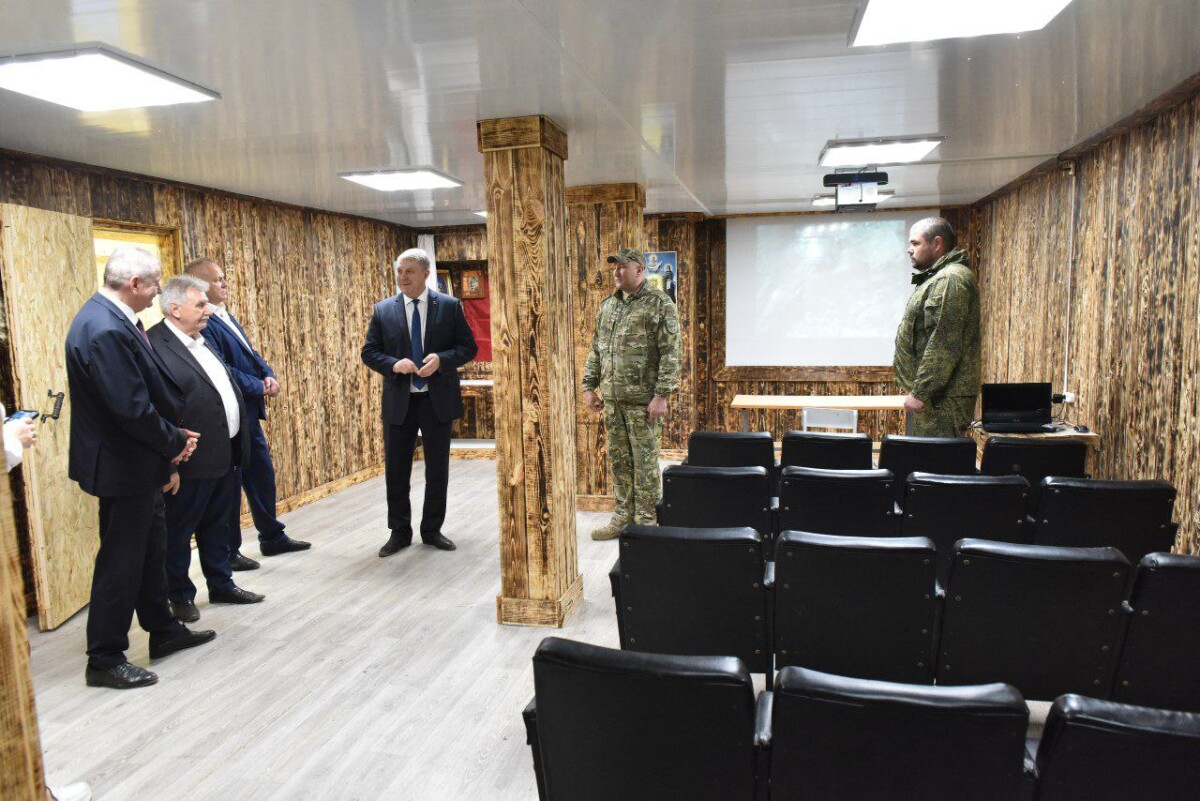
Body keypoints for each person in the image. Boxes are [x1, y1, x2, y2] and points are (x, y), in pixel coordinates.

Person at [65, 246, 215, 690]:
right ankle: (104, 658)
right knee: (121, 561)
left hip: (136, 462)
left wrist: (168, 439)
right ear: (134, 284)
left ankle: (163, 629)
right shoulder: (104, 329)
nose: (157, 292)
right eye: (154, 284)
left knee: (150, 550)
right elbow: (130, 408)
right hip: (122, 465)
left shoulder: (111, 318)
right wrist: (174, 441)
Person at [148, 277, 264, 622]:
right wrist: (169, 462)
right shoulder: (155, 345)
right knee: (180, 530)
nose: (208, 310)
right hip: (189, 458)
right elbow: (155, 407)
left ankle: (221, 583)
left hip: (225, 451)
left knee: (217, 524)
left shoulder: (202, 339)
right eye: (199, 304)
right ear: (175, 309)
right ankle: (180, 595)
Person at [183, 258, 310, 561]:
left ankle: (272, 536)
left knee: (261, 475)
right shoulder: (203, 323)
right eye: (217, 279)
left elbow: (249, 353)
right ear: (198, 285)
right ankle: (230, 551)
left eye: (223, 278)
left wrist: (268, 375)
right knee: (230, 486)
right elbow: (221, 368)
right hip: (227, 417)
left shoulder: (224, 314)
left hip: (248, 413)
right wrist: (259, 386)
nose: (225, 283)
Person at [361, 248, 477, 555]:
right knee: (396, 471)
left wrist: (442, 359)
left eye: (409, 271)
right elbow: (369, 352)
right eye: (399, 271)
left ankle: (432, 530)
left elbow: (468, 347)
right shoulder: (383, 310)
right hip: (399, 402)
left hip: (436, 401)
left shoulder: (449, 307)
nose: (403, 277)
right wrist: (393, 364)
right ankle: (399, 532)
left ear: (426, 274)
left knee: (437, 470)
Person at [581, 247, 681, 540]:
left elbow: (671, 352)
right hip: (613, 402)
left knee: (645, 464)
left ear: (639, 270)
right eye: (614, 267)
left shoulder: (659, 304)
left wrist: (662, 394)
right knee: (619, 463)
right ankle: (622, 517)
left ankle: (646, 523)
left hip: (643, 403)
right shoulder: (608, 306)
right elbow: (597, 349)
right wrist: (589, 386)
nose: (616, 272)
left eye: (622, 266)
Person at [892, 217, 981, 438]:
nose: (909, 250)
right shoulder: (938, 277)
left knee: (934, 458)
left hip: (941, 401)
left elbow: (943, 343)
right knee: (924, 456)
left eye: (915, 243)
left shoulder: (951, 279)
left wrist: (920, 393)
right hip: (934, 398)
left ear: (937, 244)